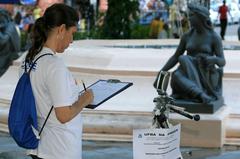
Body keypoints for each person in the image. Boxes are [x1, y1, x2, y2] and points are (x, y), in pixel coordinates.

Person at [22, 4, 94, 159]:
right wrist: (84, 99)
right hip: (59, 149)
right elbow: (63, 116)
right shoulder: (54, 65)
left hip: (40, 146)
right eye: (72, 33)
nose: (72, 40)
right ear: (61, 29)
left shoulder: (32, 58)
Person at [154, 4, 226, 104]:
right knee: (177, 74)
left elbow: (222, 62)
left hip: (205, 74)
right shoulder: (187, 36)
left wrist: (213, 59)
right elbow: (175, 57)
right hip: (187, 71)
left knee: (183, 59)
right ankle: (200, 95)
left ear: (200, 17)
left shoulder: (214, 37)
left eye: (192, 15)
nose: (189, 18)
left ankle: (199, 92)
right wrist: (161, 72)